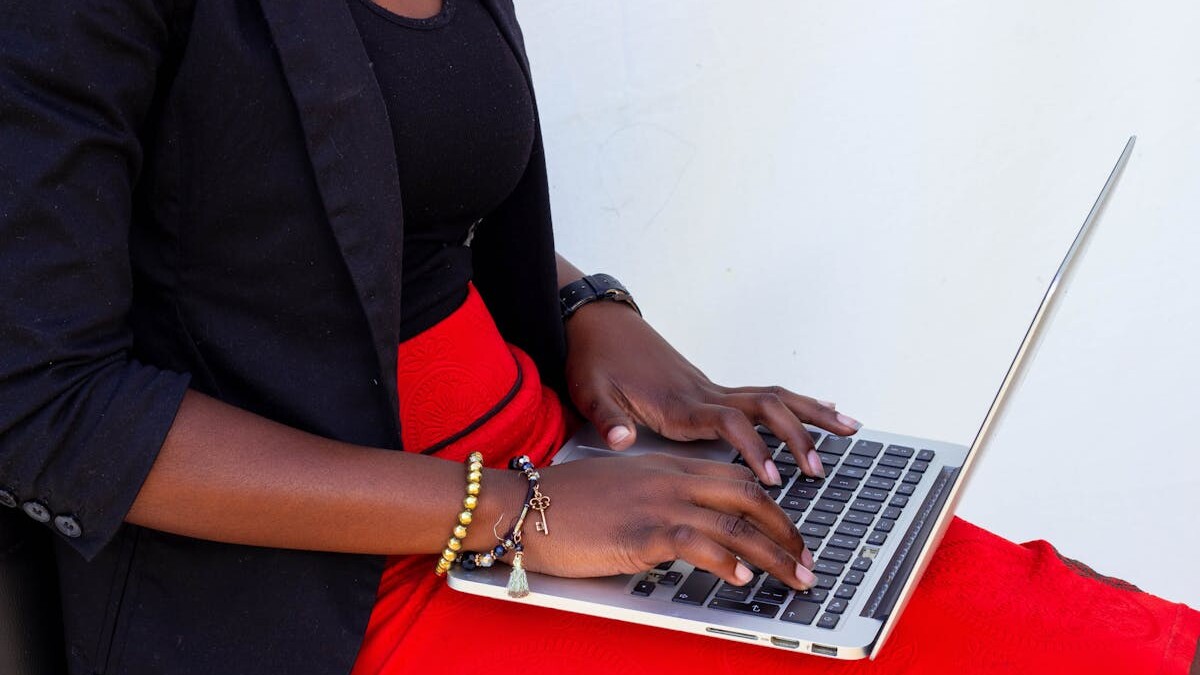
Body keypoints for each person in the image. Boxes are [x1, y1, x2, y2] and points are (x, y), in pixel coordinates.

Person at [0, 0, 1196, 673]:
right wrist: (511, 513)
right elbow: (44, 405)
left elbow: (381, 209)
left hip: (561, 470)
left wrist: (592, 312)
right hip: (329, 585)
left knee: (1105, 640)